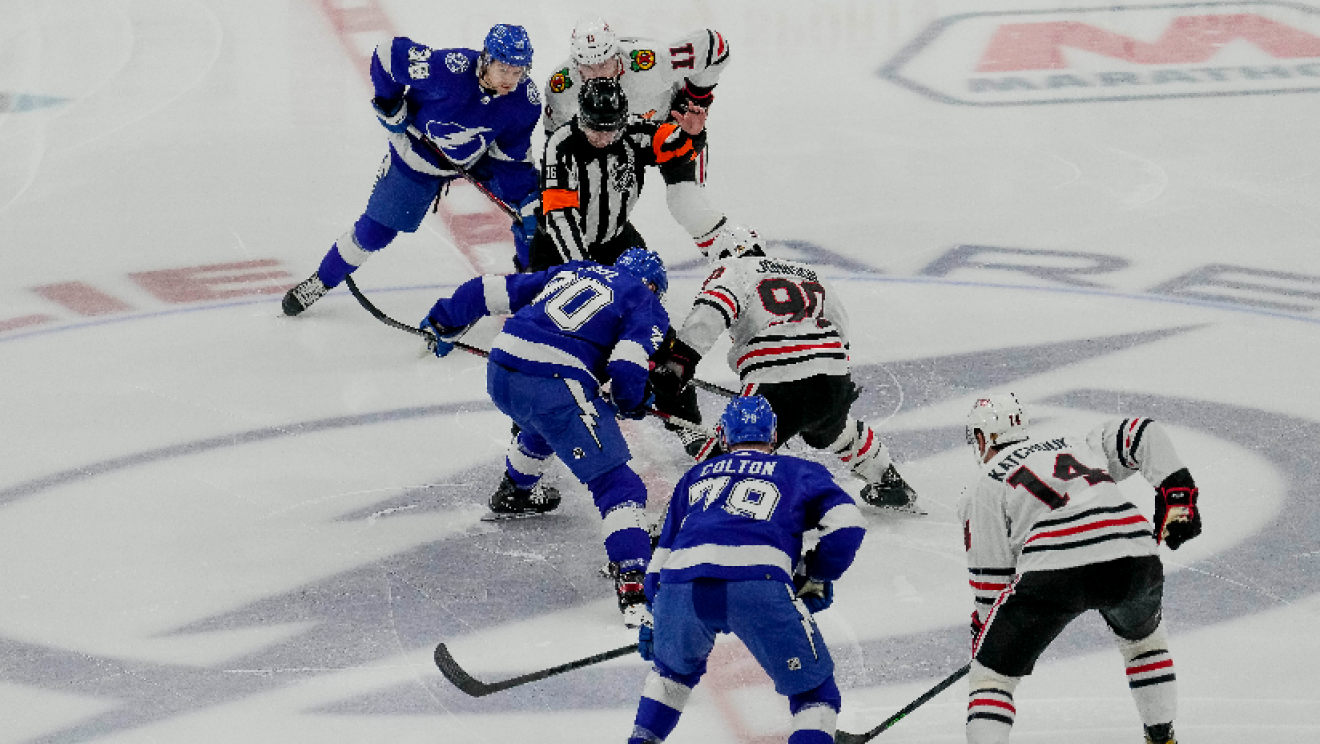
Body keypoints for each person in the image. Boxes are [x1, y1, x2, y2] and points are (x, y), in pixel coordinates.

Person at [419, 248, 670, 628]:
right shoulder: (644, 300)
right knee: (620, 486)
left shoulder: (576, 270)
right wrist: (630, 401)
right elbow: (625, 365)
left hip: (501, 369)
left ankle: (516, 489)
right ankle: (634, 585)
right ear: (653, 286)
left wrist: (444, 319)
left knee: (545, 425)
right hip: (554, 381)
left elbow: (487, 290)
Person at [959, 393, 1203, 744]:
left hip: (1055, 567)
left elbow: (991, 585)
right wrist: (1177, 490)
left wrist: (990, 645)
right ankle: (1162, 737)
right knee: (1144, 644)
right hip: (1133, 551)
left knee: (991, 678)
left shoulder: (984, 485)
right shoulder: (1076, 444)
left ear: (982, 438)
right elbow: (1142, 431)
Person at [628, 395, 867, 744]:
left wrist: (656, 615)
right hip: (758, 584)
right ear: (774, 436)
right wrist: (816, 575)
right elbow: (848, 525)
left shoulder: (694, 476)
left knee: (669, 678)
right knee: (815, 696)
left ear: (724, 436)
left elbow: (660, 559)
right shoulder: (798, 470)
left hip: (680, 586)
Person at [649, 225, 921, 510]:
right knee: (834, 429)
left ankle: (697, 520)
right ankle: (888, 480)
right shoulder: (811, 273)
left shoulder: (735, 269)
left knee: (723, 459)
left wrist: (677, 363)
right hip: (832, 377)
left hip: (775, 378)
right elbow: (840, 328)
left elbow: (709, 316)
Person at [283, 24, 542, 316]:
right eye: (503, 69)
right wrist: (389, 102)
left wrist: (523, 200)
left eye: (517, 72)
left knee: (532, 214)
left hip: (476, 160)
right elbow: (386, 55)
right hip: (418, 158)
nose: (510, 79)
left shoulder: (525, 102)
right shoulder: (449, 69)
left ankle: (531, 292)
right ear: (486, 60)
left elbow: (511, 155)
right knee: (375, 233)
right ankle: (321, 280)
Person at [539, 18, 733, 262]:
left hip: (668, 133)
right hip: (612, 146)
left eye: (604, 64)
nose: (598, 75)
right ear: (576, 64)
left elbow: (715, 46)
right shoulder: (561, 88)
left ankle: (738, 258)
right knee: (590, 213)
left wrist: (693, 101)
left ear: (617, 55)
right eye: (589, 68)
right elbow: (557, 148)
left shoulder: (650, 61)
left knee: (687, 203)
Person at [528, 76, 727, 271]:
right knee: (556, 292)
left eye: (610, 131)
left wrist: (690, 136)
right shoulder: (561, 145)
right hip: (556, 248)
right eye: (595, 130)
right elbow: (560, 216)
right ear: (581, 119)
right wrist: (582, 266)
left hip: (615, 241)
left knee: (649, 283)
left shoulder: (632, 130)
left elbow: (671, 149)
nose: (603, 139)